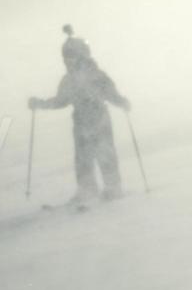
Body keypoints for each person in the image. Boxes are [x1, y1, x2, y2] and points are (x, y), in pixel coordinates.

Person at [28, 25, 131, 203]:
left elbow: (110, 93)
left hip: (99, 118)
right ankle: (87, 189)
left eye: (72, 58)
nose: (69, 62)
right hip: (81, 121)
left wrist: (121, 101)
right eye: (66, 59)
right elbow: (61, 100)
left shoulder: (96, 75)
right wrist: (40, 104)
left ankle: (113, 187)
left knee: (104, 152)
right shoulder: (69, 80)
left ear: (83, 56)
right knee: (83, 157)